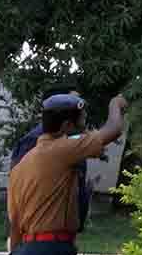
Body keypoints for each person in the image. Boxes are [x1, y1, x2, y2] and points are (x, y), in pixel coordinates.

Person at [7, 93, 127, 255]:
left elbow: (15, 224)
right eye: (83, 122)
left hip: (26, 254)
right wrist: (115, 103)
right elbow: (114, 129)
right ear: (66, 126)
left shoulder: (22, 166)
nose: (85, 129)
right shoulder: (60, 150)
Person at [9, 85, 95, 233]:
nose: (82, 111)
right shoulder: (33, 141)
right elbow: (22, 192)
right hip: (38, 236)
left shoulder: (67, 142)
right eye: (75, 102)